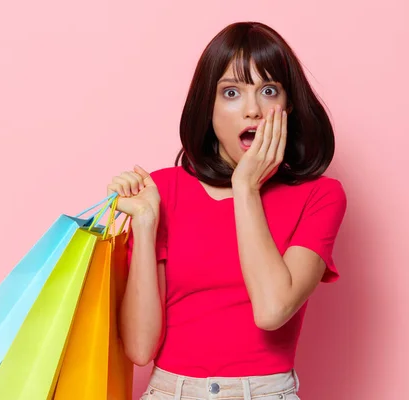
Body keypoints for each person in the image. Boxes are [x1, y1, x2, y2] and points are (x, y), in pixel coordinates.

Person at [106, 21, 347, 400]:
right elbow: (139, 348)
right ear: (209, 107)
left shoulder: (321, 196)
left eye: (268, 90)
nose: (252, 110)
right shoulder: (163, 190)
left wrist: (246, 187)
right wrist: (147, 224)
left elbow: (271, 310)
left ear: (289, 106)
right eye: (231, 92)